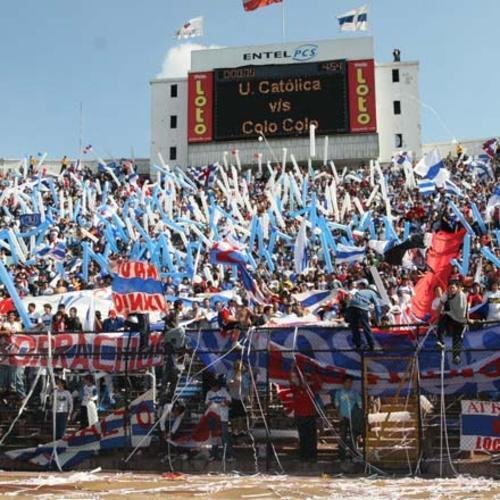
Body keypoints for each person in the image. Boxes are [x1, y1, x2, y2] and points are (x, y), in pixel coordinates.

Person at [289, 367, 320, 462]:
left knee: (312, 437)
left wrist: (313, 369)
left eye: (305, 379)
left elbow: (319, 382)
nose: (303, 381)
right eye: (302, 379)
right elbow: (291, 378)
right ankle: (303, 456)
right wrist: (293, 366)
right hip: (300, 416)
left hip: (310, 415)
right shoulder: (295, 389)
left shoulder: (312, 389)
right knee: (303, 437)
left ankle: (312, 456)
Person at [436, 280, 467, 364]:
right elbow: (440, 305)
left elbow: (460, 312)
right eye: (450, 288)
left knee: (457, 338)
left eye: (453, 288)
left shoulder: (461, 296)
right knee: (442, 320)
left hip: (460, 318)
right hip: (451, 316)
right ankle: (440, 341)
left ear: (458, 288)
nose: (451, 289)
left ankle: (456, 356)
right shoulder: (446, 293)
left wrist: (447, 312)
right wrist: (437, 317)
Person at [345, 279, 381, 351]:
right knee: (366, 326)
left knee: (354, 327)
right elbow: (377, 306)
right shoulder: (372, 293)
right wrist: (378, 319)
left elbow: (349, 304)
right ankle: (372, 345)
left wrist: (348, 317)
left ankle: (358, 346)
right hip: (361, 307)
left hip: (350, 308)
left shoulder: (359, 292)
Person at [333, 376, 363, 460]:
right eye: (347, 382)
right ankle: (341, 456)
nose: (349, 384)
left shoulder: (354, 393)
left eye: (350, 382)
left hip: (353, 418)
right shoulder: (339, 393)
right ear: (343, 383)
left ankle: (353, 455)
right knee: (342, 436)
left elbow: (360, 404)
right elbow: (337, 404)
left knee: (353, 437)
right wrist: (339, 414)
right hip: (343, 417)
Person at [205, 378, 233, 462]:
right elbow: (207, 403)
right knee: (214, 436)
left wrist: (224, 403)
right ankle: (214, 454)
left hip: (223, 417)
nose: (213, 389)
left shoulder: (224, 392)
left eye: (214, 387)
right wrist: (211, 403)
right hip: (213, 417)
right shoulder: (209, 393)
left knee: (225, 436)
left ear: (217, 386)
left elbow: (229, 401)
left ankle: (229, 455)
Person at [227, 360, 250, 436]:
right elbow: (230, 384)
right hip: (232, 397)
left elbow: (246, 388)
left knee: (242, 416)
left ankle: (242, 431)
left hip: (242, 398)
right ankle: (234, 431)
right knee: (233, 416)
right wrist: (236, 379)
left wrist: (247, 397)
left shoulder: (245, 375)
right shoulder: (230, 373)